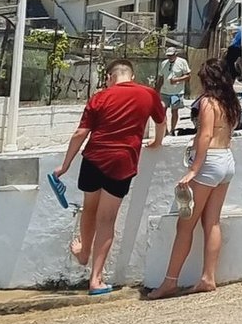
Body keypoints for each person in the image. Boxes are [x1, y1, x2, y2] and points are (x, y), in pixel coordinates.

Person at [52, 58, 167, 295]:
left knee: (89, 208)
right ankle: (96, 279)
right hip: (122, 162)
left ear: (110, 77)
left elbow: (80, 133)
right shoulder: (148, 94)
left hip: (93, 159)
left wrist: (64, 166)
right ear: (132, 76)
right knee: (106, 220)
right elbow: (161, 120)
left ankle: (83, 253)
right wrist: (157, 141)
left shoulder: (100, 97)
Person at [146, 59, 239, 298]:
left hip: (210, 164)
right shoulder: (229, 103)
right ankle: (208, 276)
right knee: (212, 222)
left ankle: (170, 281)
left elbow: (205, 135)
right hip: (226, 160)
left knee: (185, 224)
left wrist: (193, 170)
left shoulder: (208, 103)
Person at [158, 43, 192, 116]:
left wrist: (177, 80)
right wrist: (157, 90)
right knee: (162, 111)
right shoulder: (164, 63)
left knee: (174, 111)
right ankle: (165, 127)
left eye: (171, 55)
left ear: (176, 54)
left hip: (176, 93)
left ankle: (173, 127)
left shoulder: (182, 62)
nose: (170, 57)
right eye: (168, 55)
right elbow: (161, 77)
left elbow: (188, 76)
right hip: (164, 92)